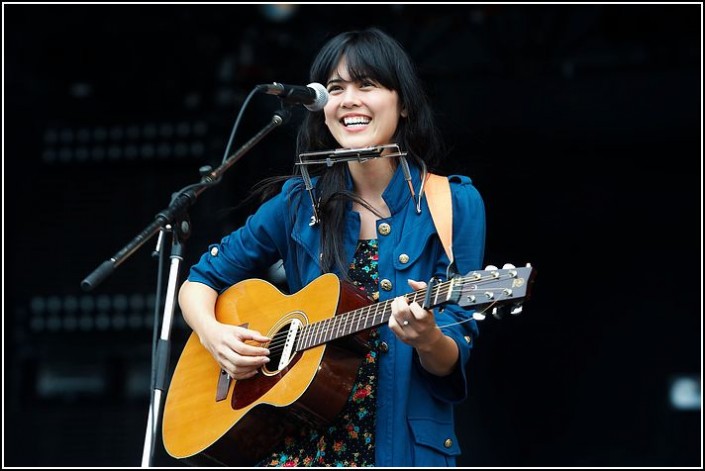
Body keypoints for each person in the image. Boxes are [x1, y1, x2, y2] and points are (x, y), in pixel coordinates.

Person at [178, 27, 486, 467]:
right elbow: (199, 281)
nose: (349, 100)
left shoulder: (453, 204)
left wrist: (429, 337)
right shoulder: (297, 202)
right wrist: (215, 335)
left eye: (368, 85)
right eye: (335, 89)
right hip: (301, 453)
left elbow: (452, 357)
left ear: (403, 103)